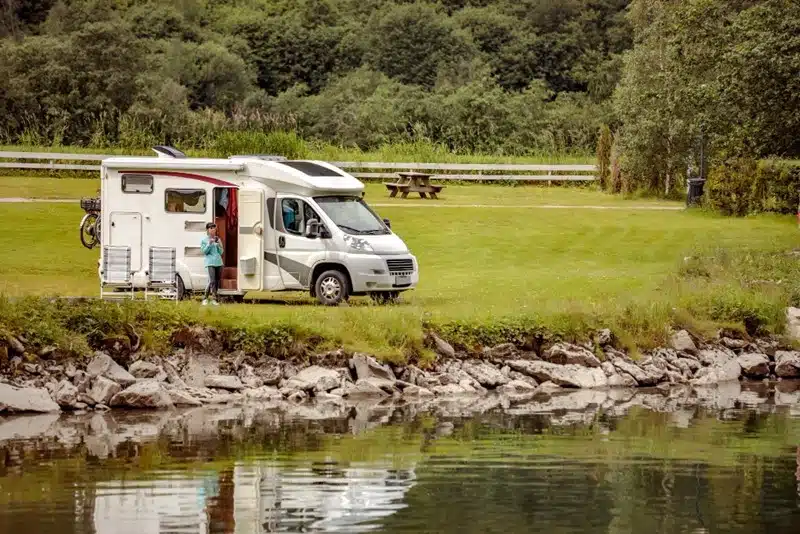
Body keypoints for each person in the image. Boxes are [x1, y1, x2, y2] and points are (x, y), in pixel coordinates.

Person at [201, 222, 223, 306]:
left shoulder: (218, 239)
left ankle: (214, 298)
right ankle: (206, 298)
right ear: (207, 230)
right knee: (212, 281)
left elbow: (221, 252)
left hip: (219, 262)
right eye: (211, 228)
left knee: (217, 281)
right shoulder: (204, 240)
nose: (213, 230)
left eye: (214, 228)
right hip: (210, 262)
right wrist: (209, 244)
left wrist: (219, 245)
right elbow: (204, 252)